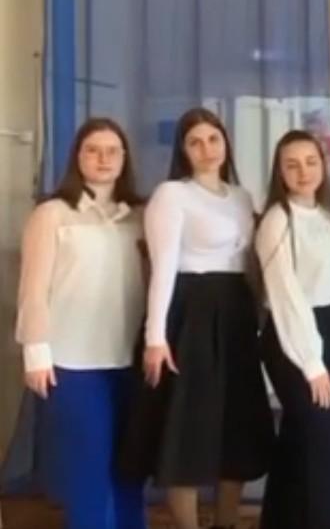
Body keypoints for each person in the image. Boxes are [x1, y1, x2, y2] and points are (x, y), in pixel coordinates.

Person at [119, 108, 274, 529]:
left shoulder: (242, 197)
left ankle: (227, 522)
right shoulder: (172, 195)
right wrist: (156, 337)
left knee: (235, 422)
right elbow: (163, 267)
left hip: (237, 314)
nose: (207, 149)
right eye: (195, 142)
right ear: (183, 151)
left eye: (213, 139)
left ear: (226, 143)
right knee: (185, 424)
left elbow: (252, 262)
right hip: (188, 314)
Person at [15, 118, 147, 529]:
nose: (103, 159)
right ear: (77, 157)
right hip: (71, 363)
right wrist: (35, 350)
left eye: (112, 151)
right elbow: (33, 288)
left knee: (130, 470)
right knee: (88, 472)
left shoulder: (141, 215)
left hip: (130, 360)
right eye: (93, 150)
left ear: (124, 158)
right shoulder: (51, 214)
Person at [255, 130, 330, 528]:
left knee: (299, 439)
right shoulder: (277, 221)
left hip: (327, 331)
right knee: (321, 440)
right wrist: (312, 363)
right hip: (293, 338)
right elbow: (286, 297)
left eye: (311, 162)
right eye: (292, 165)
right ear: (279, 172)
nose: (303, 172)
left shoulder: (329, 217)